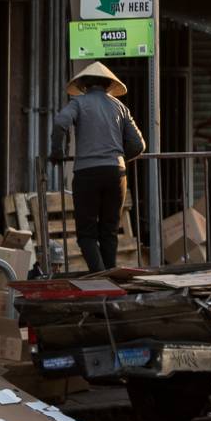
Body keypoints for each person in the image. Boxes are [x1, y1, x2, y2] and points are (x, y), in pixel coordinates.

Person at [52, 62, 145, 272]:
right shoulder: (119, 106)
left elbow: (60, 123)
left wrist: (57, 152)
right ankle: (110, 277)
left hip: (87, 173)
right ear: (107, 85)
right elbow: (139, 145)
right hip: (116, 174)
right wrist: (117, 159)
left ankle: (100, 276)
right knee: (109, 232)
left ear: (84, 84)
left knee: (86, 234)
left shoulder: (78, 103)